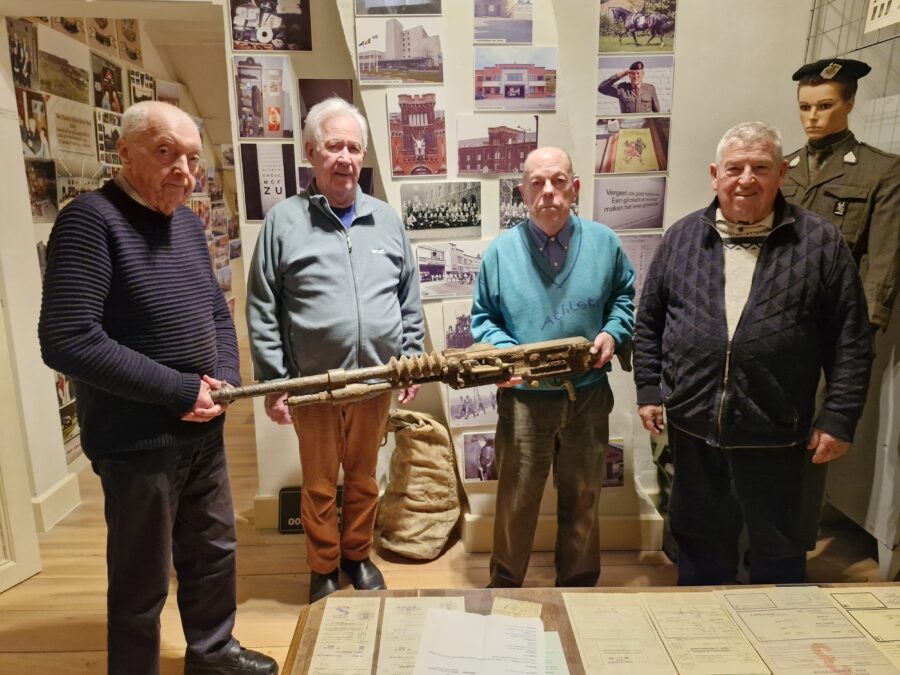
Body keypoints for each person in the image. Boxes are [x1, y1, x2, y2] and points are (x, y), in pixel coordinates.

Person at [38, 101, 277, 675]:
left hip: (204, 427)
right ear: (124, 152)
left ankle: (213, 652)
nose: (183, 170)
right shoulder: (89, 221)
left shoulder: (190, 225)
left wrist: (225, 383)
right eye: (166, 153)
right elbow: (68, 340)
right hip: (137, 441)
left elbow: (217, 315)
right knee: (141, 578)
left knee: (213, 554)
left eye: (192, 158)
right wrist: (179, 391)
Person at [633, 121, 873, 586]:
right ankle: (702, 649)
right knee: (700, 548)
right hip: (694, 427)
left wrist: (839, 417)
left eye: (760, 167)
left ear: (781, 173)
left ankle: (775, 651)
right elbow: (650, 322)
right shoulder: (681, 239)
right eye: (735, 167)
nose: (746, 179)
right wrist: (648, 389)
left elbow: (851, 339)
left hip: (778, 433)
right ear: (714, 175)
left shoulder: (821, 244)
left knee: (779, 555)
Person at [246, 97, 425, 604]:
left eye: (353, 147)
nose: (345, 158)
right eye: (333, 146)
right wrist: (275, 381)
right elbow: (262, 307)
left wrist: (411, 357)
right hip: (313, 385)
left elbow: (408, 296)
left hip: (376, 381)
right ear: (310, 153)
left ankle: (357, 556)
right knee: (321, 486)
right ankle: (323, 565)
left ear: (363, 154)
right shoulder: (283, 222)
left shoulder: (386, 220)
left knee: (365, 479)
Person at [471, 146, 635, 588]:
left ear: (575, 188)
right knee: (516, 501)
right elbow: (483, 319)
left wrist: (612, 333)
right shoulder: (501, 254)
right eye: (537, 183)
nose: (548, 192)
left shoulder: (605, 243)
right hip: (524, 401)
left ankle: (579, 585)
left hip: (588, 395)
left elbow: (624, 298)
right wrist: (511, 355)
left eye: (559, 181)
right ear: (522, 192)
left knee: (583, 497)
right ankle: (505, 584)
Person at [782, 58, 899, 331]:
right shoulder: (781, 170)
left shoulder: (881, 170)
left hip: (839, 317)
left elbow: (884, 256)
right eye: (804, 107)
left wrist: (867, 322)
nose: (812, 116)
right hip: (778, 316)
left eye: (824, 106)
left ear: (849, 105)